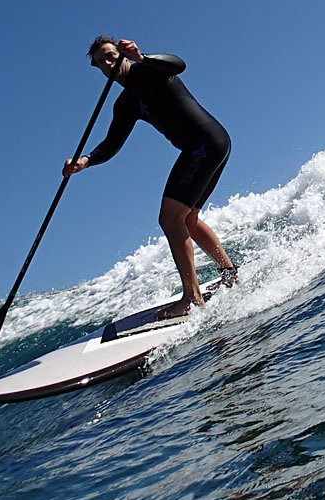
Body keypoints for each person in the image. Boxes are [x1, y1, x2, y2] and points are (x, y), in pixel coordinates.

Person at [63, 37, 238, 319]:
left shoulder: (149, 69)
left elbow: (179, 64)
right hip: (210, 145)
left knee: (169, 219)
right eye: (100, 63)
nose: (107, 64)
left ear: (122, 54)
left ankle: (192, 298)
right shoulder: (124, 104)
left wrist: (141, 57)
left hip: (205, 143)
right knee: (188, 219)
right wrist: (85, 161)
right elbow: (111, 143)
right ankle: (230, 275)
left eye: (111, 56)